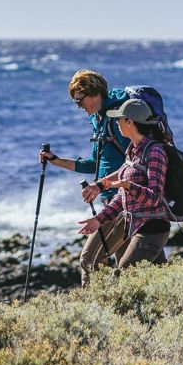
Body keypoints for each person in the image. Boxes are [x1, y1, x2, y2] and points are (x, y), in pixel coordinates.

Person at [39, 69, 131, 284]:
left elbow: (134, 163)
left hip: (124, 202)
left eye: (79, 100)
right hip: (112, 201)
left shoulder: (117, 120)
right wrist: (56, 160)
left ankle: (96, 312)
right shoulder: (99, 122)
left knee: (90, 260)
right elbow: (94, 165)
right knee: (129, 267)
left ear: (94, 93)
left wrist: (99, 185)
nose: (78, 106)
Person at [76, 98, 170, 270]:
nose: (116, 122)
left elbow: (155, 197)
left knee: (125, 272)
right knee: (154, 278)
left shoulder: (155, 152)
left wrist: (127, 185)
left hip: (152, 229)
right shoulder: (132, 151)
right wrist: (99, 220)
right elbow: (121, 198)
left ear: (130, 122)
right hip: (135, 226)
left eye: (119, 118)